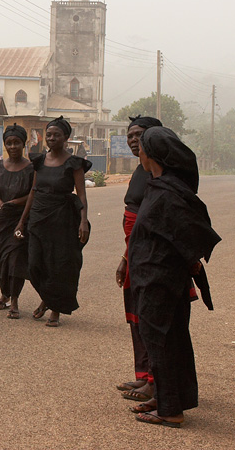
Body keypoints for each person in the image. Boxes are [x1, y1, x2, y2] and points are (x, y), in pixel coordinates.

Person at [127, 127, 219, 428]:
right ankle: (167, 398)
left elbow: (189, 230)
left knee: (163, 340)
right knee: (162, 340)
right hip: (152, 278)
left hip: (161, 281)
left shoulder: (170, 192)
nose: (137, 152)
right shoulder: (158, 186)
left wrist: (189, 263)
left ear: (152, 155)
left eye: (141, 147)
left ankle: (170, 411)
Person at [15, 116, 90, 327]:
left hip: (62, 219)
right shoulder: (39, 161)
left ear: (66, 137)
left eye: (57, 135)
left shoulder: (74, 163)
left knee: (58, 264)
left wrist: (83, 221)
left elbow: (81, 195)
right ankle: (47, 298)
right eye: (49, 135)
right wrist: (22, 221)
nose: (52, 138)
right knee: (35, 263)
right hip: (39, 218)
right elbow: (33, 191)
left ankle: (55, 308)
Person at [114, 116, 162, 403]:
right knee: (135, 316)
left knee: (149, 317)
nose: (133, 140)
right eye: (130, 135)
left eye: (139, 135)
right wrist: (124, 257)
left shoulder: (160, 172)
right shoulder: (140, 169)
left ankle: (156, 380)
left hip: (148, 253)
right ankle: (144, 374)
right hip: (134, 250)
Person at [0, 124, 34, 319]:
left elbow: (33, 193)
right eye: (9, 143)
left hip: (19, 220)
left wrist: (14, 203)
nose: (13, 147)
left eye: (17, 143)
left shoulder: (30, 169)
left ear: (23, 144)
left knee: (14, 260)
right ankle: (4, 293)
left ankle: (14, 301)